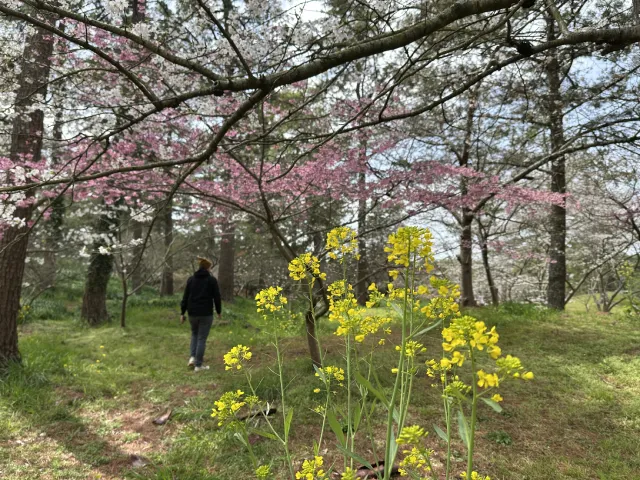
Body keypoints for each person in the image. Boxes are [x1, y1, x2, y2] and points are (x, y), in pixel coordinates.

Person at [180, 257, 222, 372]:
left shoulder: (191, 279)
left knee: (194, 334)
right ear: (208, 268)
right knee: (201, 338)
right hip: (206, 313)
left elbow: (185, 297)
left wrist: (182, 312)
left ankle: (193, 358)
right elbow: (217, 297)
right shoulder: (212, 280)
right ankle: (198, 365)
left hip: (192, 313)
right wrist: (219, 311)